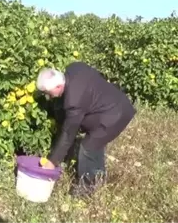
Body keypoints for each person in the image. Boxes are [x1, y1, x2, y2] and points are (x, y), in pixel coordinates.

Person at [36, 61, 136, 197]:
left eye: (49, 93)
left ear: (59, 85)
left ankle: (87, 188)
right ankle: (99, 176)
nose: (49, 96)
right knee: (95, 143)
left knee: (88, 147)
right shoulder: (74, 67)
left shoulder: (73, 102)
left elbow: (68, 134)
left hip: (115, 116)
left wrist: (52, 161)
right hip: (116, 101)